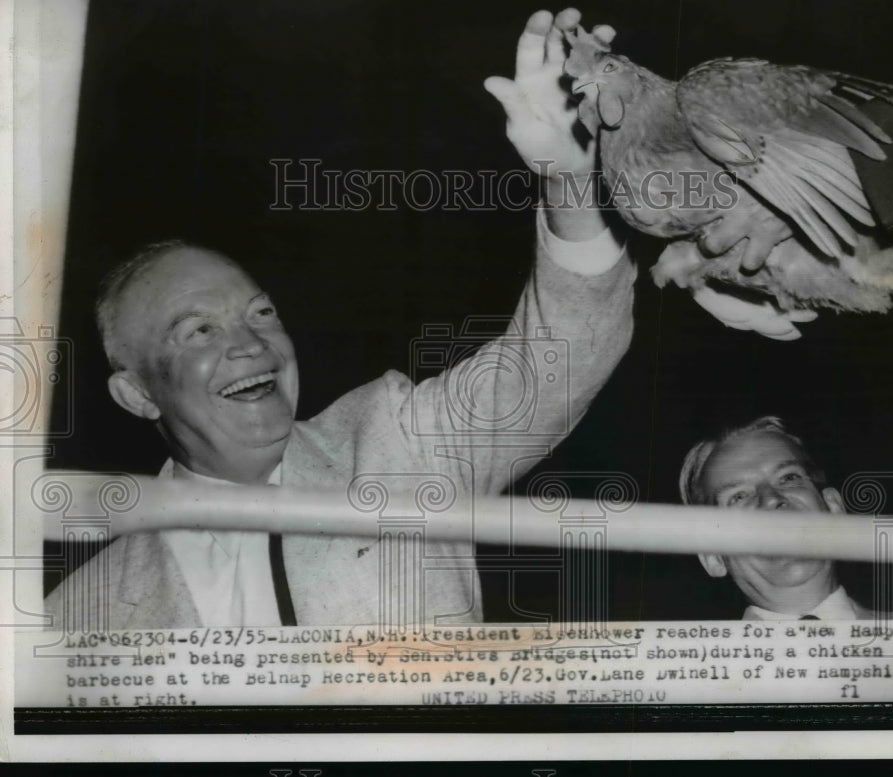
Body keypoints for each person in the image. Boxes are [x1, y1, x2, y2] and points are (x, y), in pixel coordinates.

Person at [46, 8, 637, 630]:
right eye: (199, 330)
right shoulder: (77, 618)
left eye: (262, 312)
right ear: (137, 393)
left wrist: (570, 182)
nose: (252, 344)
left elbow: (562, 356)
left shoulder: (399, 441)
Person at [679, 416, 876, 620]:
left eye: (789, 478)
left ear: (835, 509)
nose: (770, 500)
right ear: (713, 556)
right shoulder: (668, 649)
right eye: (738, 497)